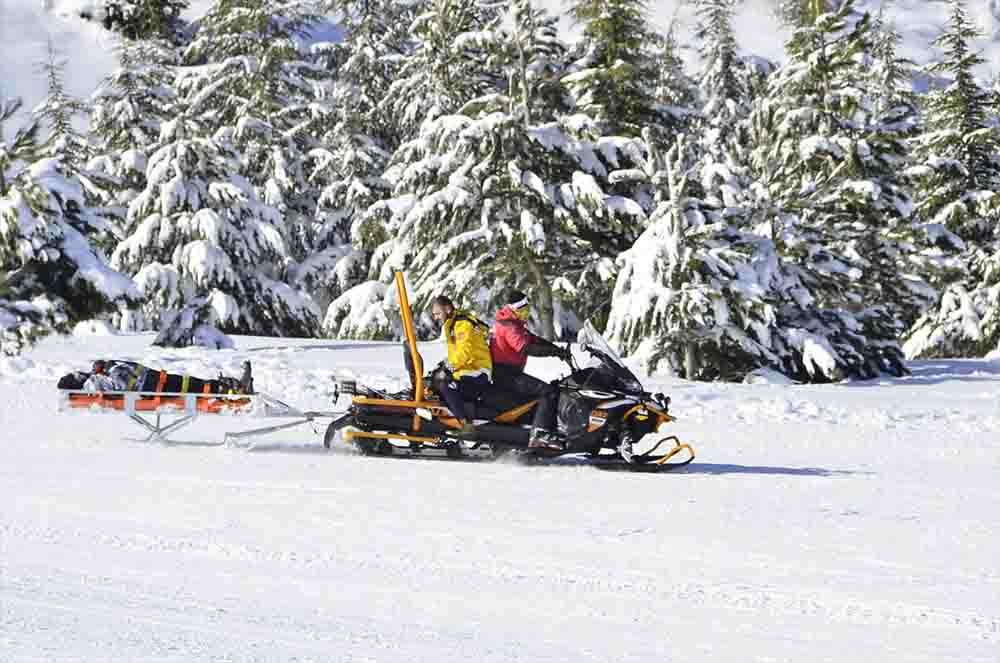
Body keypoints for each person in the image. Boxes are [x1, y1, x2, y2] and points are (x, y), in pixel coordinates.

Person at [490, 289, 571, 451]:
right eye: (522, 310)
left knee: (553, 387)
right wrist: (554, 352)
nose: (526, 313)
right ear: (514, 309)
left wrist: (556, 349)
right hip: (506, 374)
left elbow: (533, 339)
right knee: (547, 391)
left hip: (510, 372)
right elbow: (525, 347)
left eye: (527, 309)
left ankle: (547, 429)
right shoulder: (509, 325)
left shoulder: (514, 322)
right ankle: (539, 435)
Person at [429, 295, 492, 436]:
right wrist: (444, 364)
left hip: (478, 369)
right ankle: (442, 421)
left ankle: (465, 425)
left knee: (445, 383)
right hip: (467, 367)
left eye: (438, 313)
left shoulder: (462, 324)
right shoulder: (451, 324)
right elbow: (456, 353)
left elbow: (466, 352)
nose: (436, 318)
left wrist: (448, 369)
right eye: (434, 315)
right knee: (434, 380)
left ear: (448, 308)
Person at [57, 360, 254, 395]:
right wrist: (110, 369)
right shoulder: (91, 385)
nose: (78, 373)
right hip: (148, 387)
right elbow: (118, 385)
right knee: (193, 389)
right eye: (74, 376)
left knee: (192, 383)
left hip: (150, 378)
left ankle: (231, 386)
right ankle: (233, 390)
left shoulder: (92, 377)